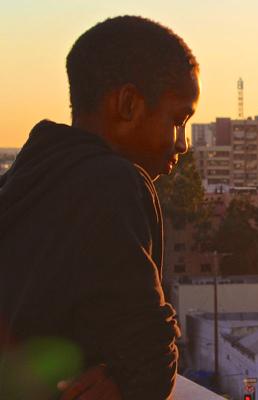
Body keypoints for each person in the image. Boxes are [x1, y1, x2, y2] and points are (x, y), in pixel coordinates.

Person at [0, 15, 200, 399]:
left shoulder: (28, 174)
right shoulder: (116, 181)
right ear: (128, 104)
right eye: (178, 120)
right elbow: (152, 356)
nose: (183, 143)